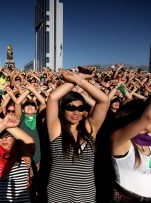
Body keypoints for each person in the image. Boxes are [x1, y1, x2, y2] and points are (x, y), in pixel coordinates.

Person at [46, 70, 109, 202]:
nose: (76, 112)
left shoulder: (90, 128)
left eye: (80, 109)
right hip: (58, 195)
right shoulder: (56, 129)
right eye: (71, 108)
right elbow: (52, 97)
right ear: (62, 110)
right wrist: (75, 79)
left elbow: (103, 100)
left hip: (85, 195)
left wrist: (79, 80)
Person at [111, 85, 151, 203]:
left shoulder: (150, 139)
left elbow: (150, 116)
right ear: (137, 118)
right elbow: (149, 116)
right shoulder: (119, 141)